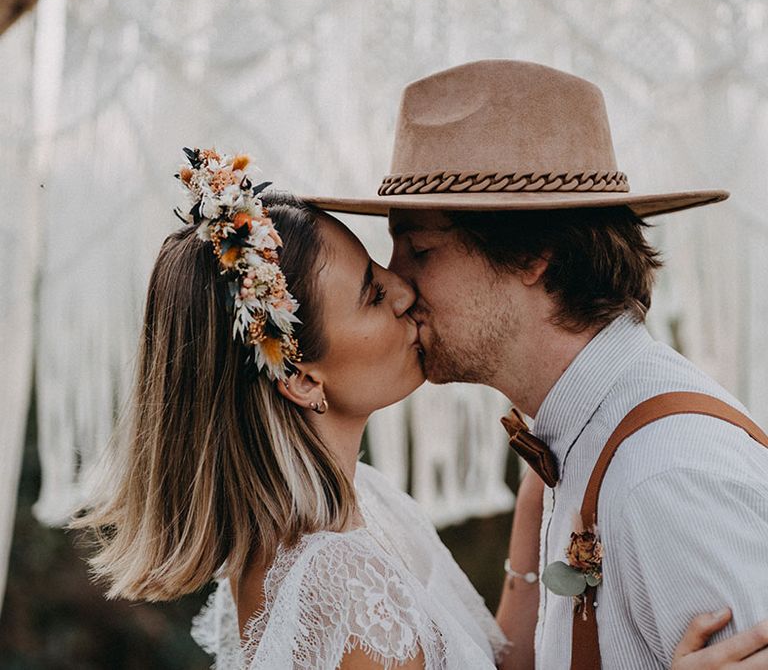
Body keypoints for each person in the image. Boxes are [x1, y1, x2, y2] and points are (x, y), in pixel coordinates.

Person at [68, 147, 748, 670]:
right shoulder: (335, 583)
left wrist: (538, 506)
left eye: (415, 251)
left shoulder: (370, 504)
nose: (400, 289)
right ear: (301, 378)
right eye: (371, 290)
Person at [305, 59, 768, 669]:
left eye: (420, 248)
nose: (400, 283)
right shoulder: (576, 439)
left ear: (533, 256)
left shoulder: (666, 477)